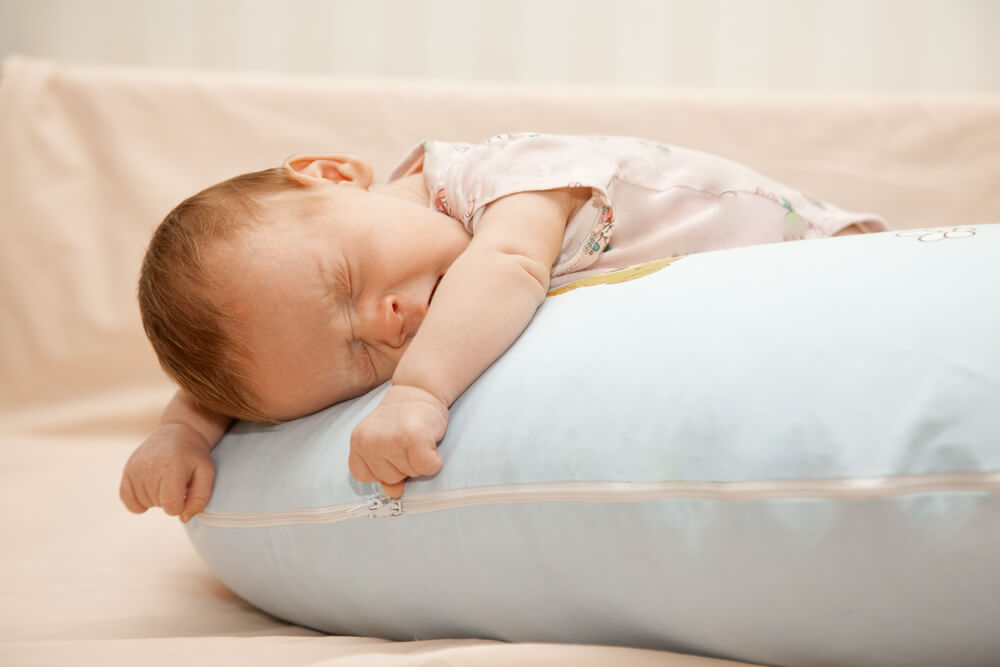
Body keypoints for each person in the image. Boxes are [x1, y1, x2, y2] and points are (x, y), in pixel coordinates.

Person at [119, 133, 889, 522]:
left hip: (828, 252)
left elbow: (512, 265)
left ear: (333, 175)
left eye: (349, 280)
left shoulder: (496, 180)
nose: (388, 327)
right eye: (356, 358)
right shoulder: (355, 296)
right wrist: (182, 431)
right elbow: (264, 359)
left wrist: (417, 392)